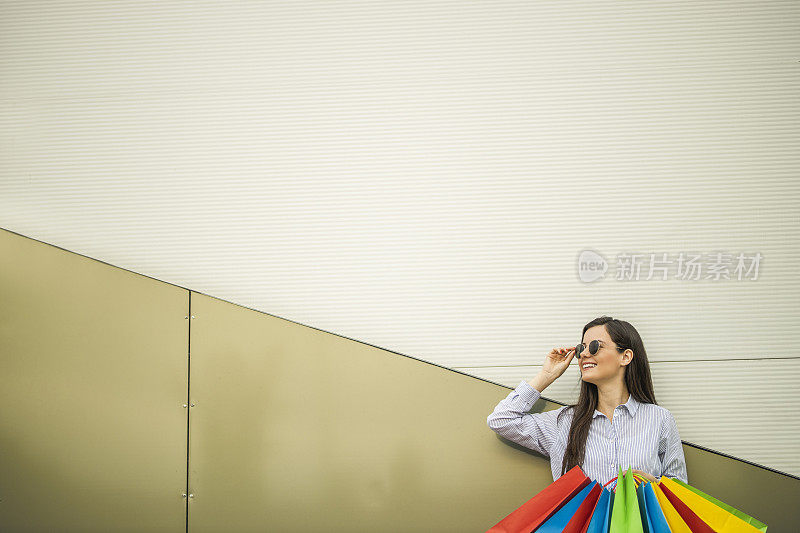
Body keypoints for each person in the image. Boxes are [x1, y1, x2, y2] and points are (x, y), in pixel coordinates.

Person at [486, 316, 688, 487]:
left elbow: (679, 489)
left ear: (625, 356)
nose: (583, 354)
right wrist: (546, 375)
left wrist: (650, 482)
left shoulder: (659, 419)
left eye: (594, 347)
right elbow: (502, 420)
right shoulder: (565, 422)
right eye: (581, 347)